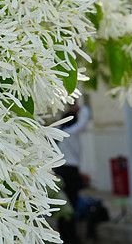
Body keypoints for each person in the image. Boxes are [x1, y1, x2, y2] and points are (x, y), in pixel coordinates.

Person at [55, 103, 90, 244]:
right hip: (70, 171)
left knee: (62, 204)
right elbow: (85, 120)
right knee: (72, 204)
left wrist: (70, 111)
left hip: (60, 170)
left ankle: (64, 236)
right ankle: (71, 237)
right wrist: (82, 108)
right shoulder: (73, 132)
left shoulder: (58, 132)